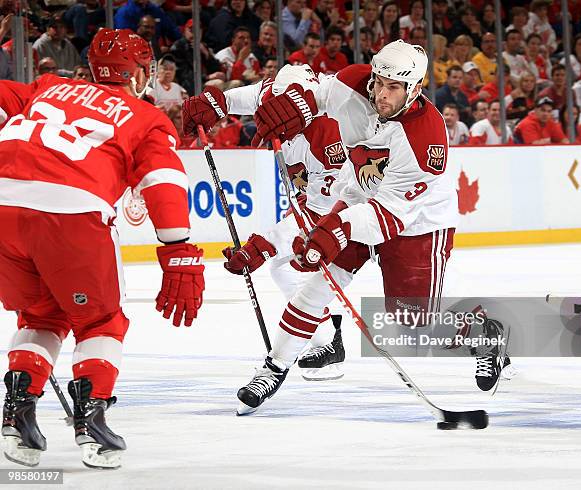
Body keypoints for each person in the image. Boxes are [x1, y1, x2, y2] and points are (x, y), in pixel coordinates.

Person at [197, 40, 508, 413]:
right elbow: (298, 93)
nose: (380, 93)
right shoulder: (354, 83)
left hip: (418, 221)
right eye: (378, 82)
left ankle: (484, 333)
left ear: (415, 89)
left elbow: (389, 217)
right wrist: (221, 103)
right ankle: (274, 368)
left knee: (413, 323)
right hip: (360, 197)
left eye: (393, 87)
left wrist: (337, 229)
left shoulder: (424, 140)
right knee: (318, 284)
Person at [0, 29, 204, 469]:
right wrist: (179, 253)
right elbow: (164, 184)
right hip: (70, 212)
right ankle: (91, 422)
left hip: (2, 206)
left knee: (42, 314)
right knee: (100, 321)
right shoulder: (146, 117)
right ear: (141, 74)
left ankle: (17, 412)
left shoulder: (49, 86)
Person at [182, 64, 348, 381]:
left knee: (414, 296)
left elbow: (320, 213)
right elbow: (249, 97)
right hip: (315, 196)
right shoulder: (277, 94)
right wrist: (217, 103)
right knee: (284, 267)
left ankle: (470, 334)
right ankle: (328, 343)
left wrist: (263, 246)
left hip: (361, 205)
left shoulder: (331, 132)